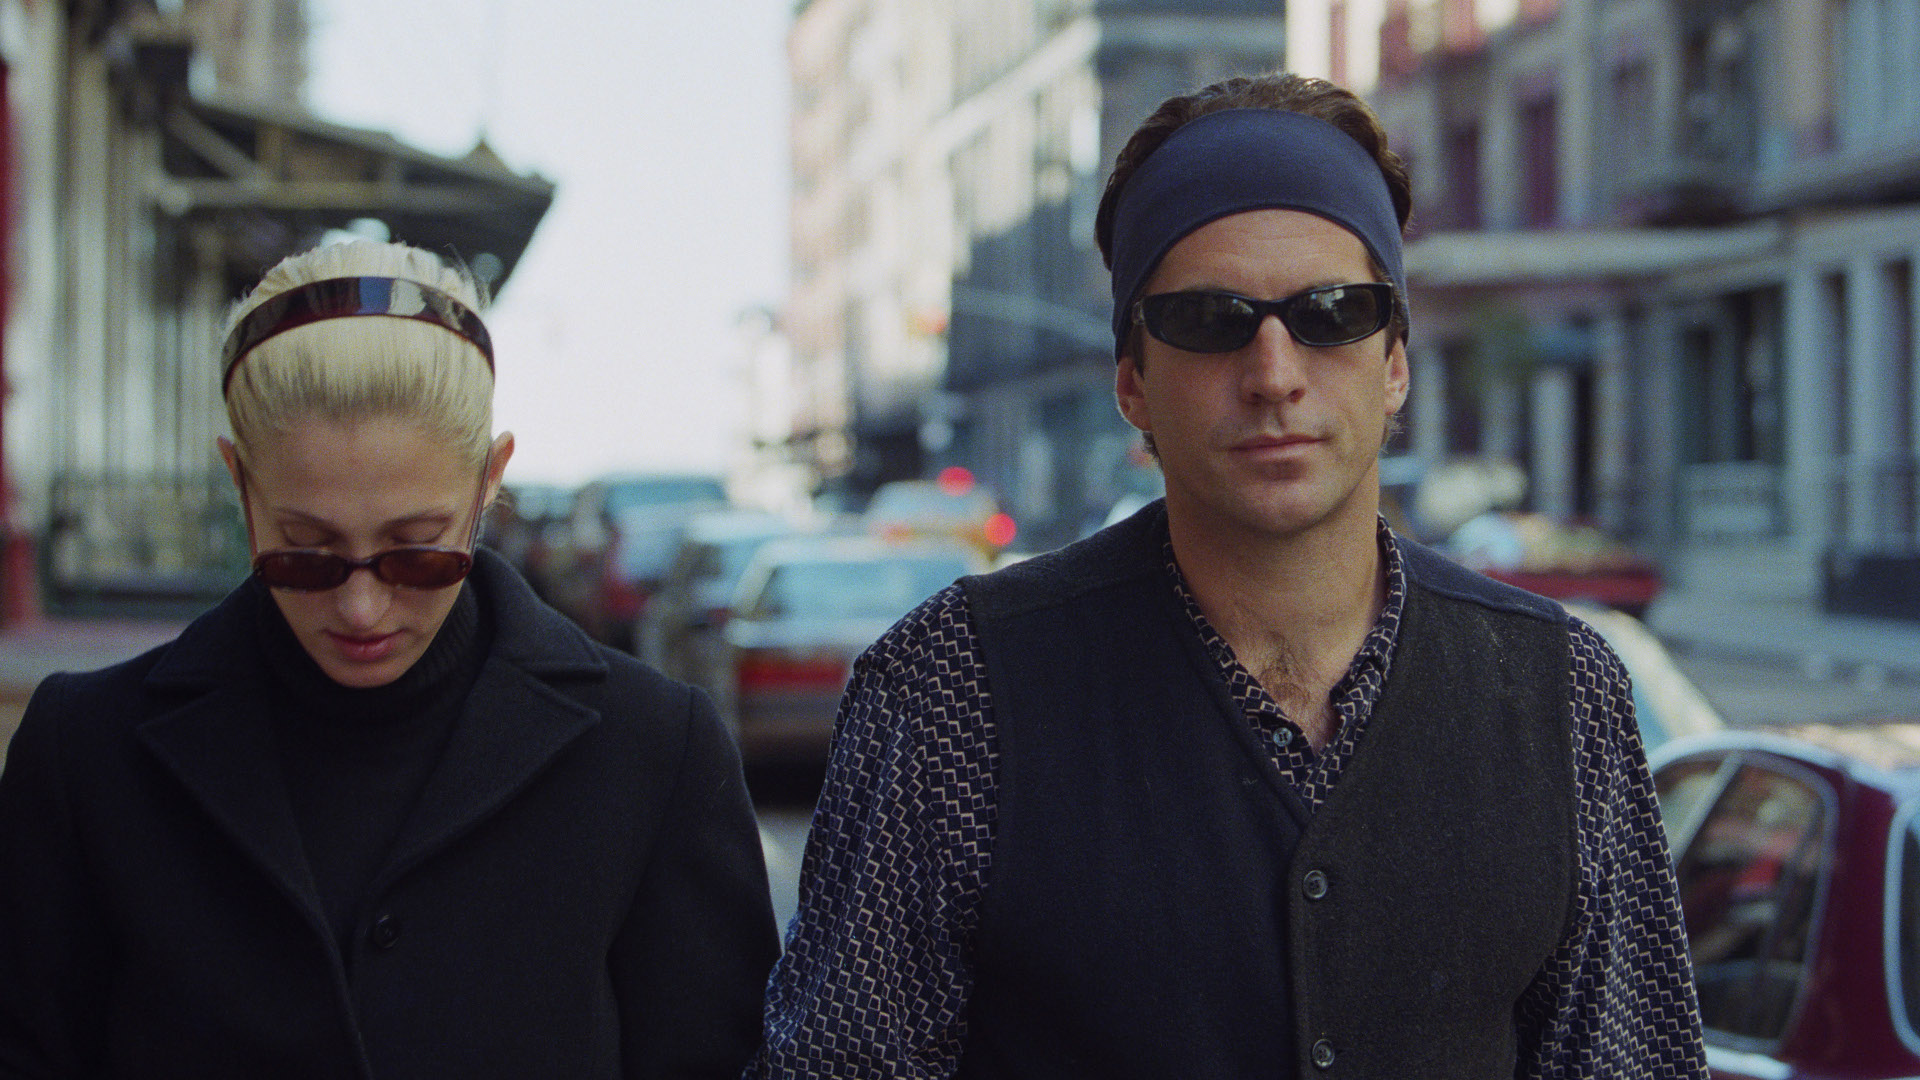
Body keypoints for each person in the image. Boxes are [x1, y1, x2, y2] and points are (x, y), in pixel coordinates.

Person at [749, 74, 1706, 1078]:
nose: (1276, 371)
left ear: (1395, 365)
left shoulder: (1562, 691)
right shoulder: (955, 688)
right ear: (1132, 381)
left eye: (1332, 312)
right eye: (1212, 318)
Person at [0, 240, 779, 1078]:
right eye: (305, 554)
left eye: (417, 553)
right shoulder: (87, 752)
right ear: (240, 486)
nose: (362, 606)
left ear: (490, 480)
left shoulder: (653, 752)